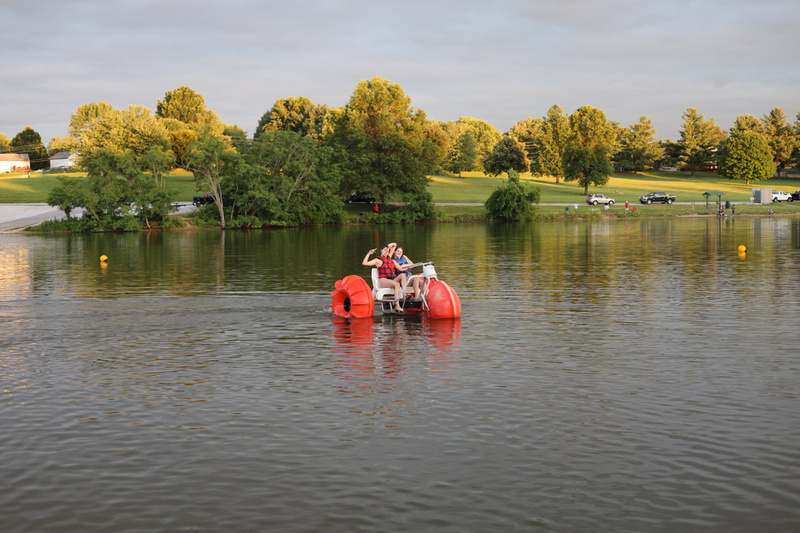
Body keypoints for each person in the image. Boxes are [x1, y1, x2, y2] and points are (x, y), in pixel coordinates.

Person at [362, 243, 404, 312]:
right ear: (381, 251)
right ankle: (397, 305)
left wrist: (389, 245)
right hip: (384, 280)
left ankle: (405, 297)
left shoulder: (389, 257)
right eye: (384, 250)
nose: (386, 252)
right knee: (397, 284)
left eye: (387, 251)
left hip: (392, 279)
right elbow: (364, 263)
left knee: (402, 276)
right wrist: (369, 253)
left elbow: (395, 245)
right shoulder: (377, 261)